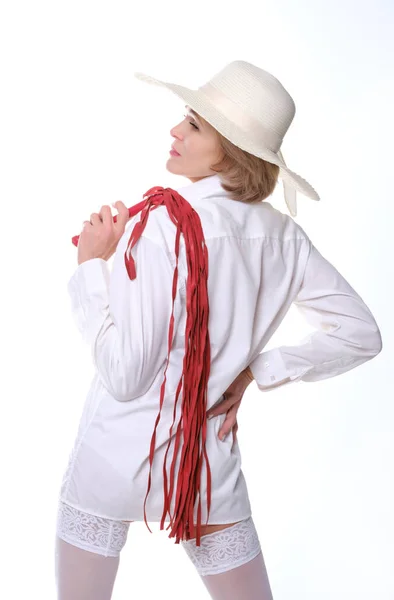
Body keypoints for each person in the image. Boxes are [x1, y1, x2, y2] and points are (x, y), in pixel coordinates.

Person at [54, 61, 382, 599]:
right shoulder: (284, 237)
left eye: (194, 125)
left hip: (113, 459)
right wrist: (258, 369)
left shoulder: (162, 222)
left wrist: (92, 267)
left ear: (231, 149)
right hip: (206, 466)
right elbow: (360, 333)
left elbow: (125, 375)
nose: (175, 132)